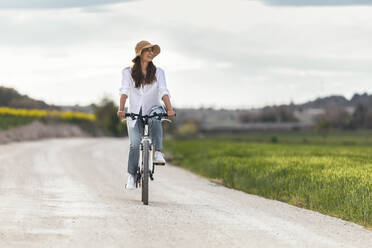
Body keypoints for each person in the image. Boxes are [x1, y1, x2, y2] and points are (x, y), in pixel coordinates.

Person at [117, 40, 175, 190]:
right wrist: (121, 109)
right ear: (139, 54)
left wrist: (169, 109)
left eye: (152, 50)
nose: (150, 53)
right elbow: (124, 91)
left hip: (154, 108)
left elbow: (163, 91)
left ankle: (157, 152)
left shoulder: (158, 72)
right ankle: (131, 175)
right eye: (147, 50)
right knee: (135, 144)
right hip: (134, 111)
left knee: (156, 118)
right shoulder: (127, 72)